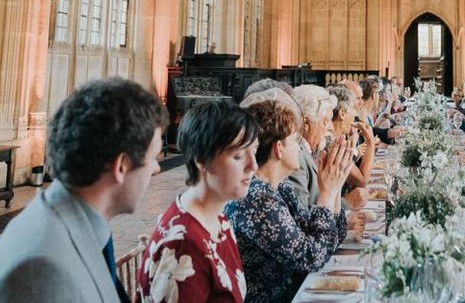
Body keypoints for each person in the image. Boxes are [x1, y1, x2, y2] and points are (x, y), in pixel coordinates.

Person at [0, 77, 167, 302]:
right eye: (153, 157)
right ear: (121, 166)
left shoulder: (78, 223)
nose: (156, 169)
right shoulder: (43, 270)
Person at [225, 100, 352, 303]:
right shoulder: (258, 198)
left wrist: (335, 186)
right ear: (279, 148)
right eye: (295, 140)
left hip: (297, 291)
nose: (300, 149)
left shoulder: (280, 186)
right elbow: (312, 256)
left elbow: (325, 237)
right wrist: (326, 193)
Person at [137, 100, 258, 302]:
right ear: (201, 159)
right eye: (238, 156)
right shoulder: (185, 244)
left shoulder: (218, 218)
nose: (252, 165)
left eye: (254, 151)